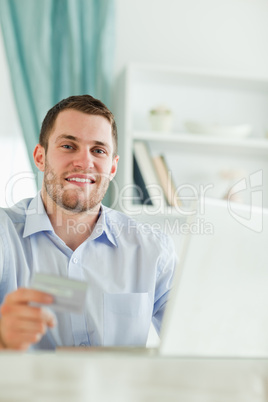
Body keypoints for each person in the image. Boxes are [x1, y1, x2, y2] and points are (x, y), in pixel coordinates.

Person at [0, 95, 176, 351]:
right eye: (68, 146)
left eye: (98, 150)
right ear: (40, 157)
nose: (84, 162)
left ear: (113, 167)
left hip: (116, 391)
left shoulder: (153, 250)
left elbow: (196, 338)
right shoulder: (4, 237)